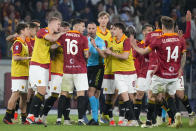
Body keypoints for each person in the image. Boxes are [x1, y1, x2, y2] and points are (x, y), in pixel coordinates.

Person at [131, 16, 186, 128]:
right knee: (169, 96)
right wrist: (180, 68)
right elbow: (183, 54)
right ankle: (175, 115)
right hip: (174, 74)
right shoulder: (179, 38)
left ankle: (149, 122)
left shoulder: (159, 40)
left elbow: (143, 51)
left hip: (160, 74)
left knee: (151, 96)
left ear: (162, 27)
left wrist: (134, 46)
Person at [51, 18, 89, 125]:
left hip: (67, 69)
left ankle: (59, 119)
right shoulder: (83, 38)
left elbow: (54, 46)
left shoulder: (63, 36)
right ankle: (81, 120)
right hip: (80, 70)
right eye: (82, 26)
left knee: (64, 94)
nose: (84, 28)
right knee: (81, 94)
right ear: (76, 26)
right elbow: (86, 55)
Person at [26, 17, 64, 124]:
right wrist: (61, 34)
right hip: (38, 65)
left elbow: (52, 46)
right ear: (51, 24)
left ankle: (36, 117)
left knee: (42, 93)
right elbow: (51, 39)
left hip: (45, 67)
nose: (59, 27)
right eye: (58, 24)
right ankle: (30, 116)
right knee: (41, 91)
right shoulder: (43, 31)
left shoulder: (52, 36)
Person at [105, 23, 138, 126]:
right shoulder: (112, 40)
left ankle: (131, 118)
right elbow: (105, 51)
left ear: (120, 30)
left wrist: (111, 53)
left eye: (114, 29)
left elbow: (125, 56)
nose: (112, 31)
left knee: (131, 97)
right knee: (124, 95)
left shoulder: (126, 40)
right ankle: (133, 120)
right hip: (118, 73)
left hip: (130, 72)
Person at [41, 21, 71, 125]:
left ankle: (66, 119)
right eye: (64, 28)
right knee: (54, 96)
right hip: (56, 71)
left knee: (67, 95)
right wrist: (59, 43)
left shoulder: (71, 41)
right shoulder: (54, 38)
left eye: (67, 28)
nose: (66, 30)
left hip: (68, 71)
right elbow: (51, 52)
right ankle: (43, 116)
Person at [3, 23, 31, 125]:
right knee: (15, 94)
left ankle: (24, 119)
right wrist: (27, 58)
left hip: (24, 73)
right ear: (22, 31)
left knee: (24, 97)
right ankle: (7, 117)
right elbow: (15, 57)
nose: (29, 30)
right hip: (18, 73)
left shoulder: (24, 43)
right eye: (27, 28)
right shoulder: (18, 43)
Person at [133, 24, 153, 125]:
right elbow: (132, 58)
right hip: (141, 73)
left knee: (156, 97)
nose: (150, 32)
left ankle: (156, 118)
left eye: (152, 30)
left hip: (154, 74)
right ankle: (136, 118)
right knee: (139, 94)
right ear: (143, 32)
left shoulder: (155, 44)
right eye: (148, 30)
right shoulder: (139, 45)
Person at [86, 22, 106, 125]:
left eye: (93, 28)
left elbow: (103, 55)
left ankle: (94, 118)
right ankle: (95, 119)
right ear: (87, 29)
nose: (91, 30)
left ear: (96, 29)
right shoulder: (85, 40)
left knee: (91, 92)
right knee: (96, 94)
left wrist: (95, 46)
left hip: (98, 68)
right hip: (88, 68)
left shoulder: (100, 41)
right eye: (89, 28)